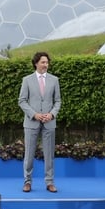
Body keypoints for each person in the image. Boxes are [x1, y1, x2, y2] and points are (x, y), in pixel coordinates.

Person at [18, 51, 62, 193]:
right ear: (36, 63)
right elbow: (22, 101)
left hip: (49, 122)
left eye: (47, 62)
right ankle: (27, 181)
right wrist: (34, 114)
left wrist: (52, 114)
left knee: (49, 154)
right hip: (31, 122)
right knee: (29, 153)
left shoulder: (54, 80)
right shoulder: (27, 80)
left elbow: (58, 101)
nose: (45, 65)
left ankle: (49, 182)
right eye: (43, 62)